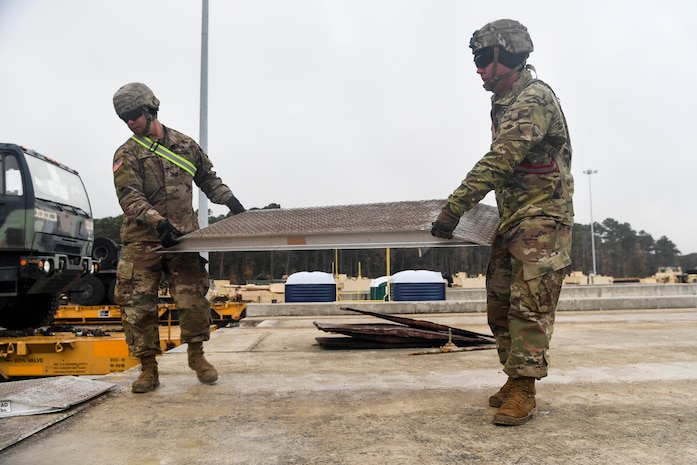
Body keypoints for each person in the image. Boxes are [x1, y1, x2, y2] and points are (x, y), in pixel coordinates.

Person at [431, 19, 574, 426]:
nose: (477, 69)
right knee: (499, 306)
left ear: (502, 57)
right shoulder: (505, 103)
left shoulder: (533, 99)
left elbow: (501, 158)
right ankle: (514, 378)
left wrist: (454, 207)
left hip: (542, 221)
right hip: (512, 220)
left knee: (529, 306)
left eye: (480, 60)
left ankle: (525, 389)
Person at [112, 82, 246, 393]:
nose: (131, 122)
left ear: (150, 109)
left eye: (134, 115)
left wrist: (231, 202)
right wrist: (157, 223)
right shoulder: (127, 154)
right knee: (138, 307)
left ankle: (197, 357)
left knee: (192, 300)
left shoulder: (185, 146)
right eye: (124, 119)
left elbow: (207, 179)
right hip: (143, 241)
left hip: (184, 240)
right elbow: (129, 197)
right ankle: (148, 369)